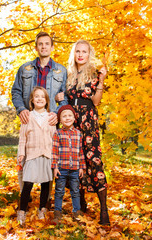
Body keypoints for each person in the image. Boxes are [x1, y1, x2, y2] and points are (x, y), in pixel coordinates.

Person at [56, 39, 110, 225]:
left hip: (88, 120)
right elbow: (63, 97)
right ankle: (81, 204)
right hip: (72, 121)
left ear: (89, 54)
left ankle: (104, 209)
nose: (80, 54)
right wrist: (58, 97)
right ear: (74, 54)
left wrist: (101, 81)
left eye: (84, 51)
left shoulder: (95, 73)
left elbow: (95, 101)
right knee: (73, 161)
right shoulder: (67, 74)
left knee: (93, 160)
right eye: (77, 51)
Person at [11, 31, 68, 197]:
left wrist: (57, 113)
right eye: (40, 44)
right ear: (36, 47)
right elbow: (16, 91)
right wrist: (21, 109)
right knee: (24, 158)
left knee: (48, 159)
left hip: (49, 121)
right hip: (29, 119)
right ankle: (24, 197)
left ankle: (46, 199)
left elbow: (65, 98)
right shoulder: (25, 68)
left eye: (47, 44)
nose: (44, 46)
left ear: (52, 47)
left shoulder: (61, 71)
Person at [16, 86, 56, 226]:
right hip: (32, 154)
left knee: (46, 183)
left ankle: (42, 209)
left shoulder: (51, 118)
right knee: (28, 183)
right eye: (37, 96)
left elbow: (54, 138)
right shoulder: (27, 117)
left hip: (47, 154)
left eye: (42, 97)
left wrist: (55, 156)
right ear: (32, 100)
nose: (40, 99)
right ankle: (22, 211)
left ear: (46, 101)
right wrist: (21, 154)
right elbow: (22, 138)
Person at [51, 105, 86, 224]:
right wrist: (55, 167)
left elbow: (80, 151)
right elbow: (54, 151)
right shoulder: (58, 133)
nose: (67, 118)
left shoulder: (78, 133)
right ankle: (57, 213)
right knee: (59, 190)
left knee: (75, 190)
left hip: (75, 168)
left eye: (70, 115)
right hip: (62, 168)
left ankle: (77, 212)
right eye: (64, 116)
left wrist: (82, 166)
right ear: (60, 120)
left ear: (74, 118)